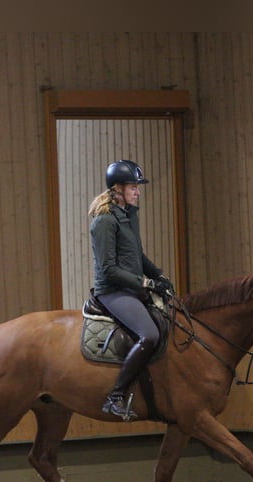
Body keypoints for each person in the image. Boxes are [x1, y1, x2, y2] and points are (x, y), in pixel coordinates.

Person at [89, 159, 174, 420]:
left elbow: (137, 255)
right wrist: (146, 283)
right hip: (112, 292)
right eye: (133, 187)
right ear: (118, 188)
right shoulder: (104, 221)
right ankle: (115, 396)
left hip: (132, 289)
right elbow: (108, 269)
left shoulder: (128, 216)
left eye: (137, 187)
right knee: (148, 334)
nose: (138, 191)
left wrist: (159, 275)